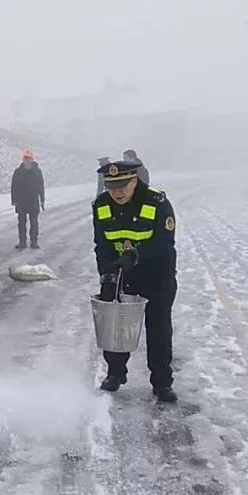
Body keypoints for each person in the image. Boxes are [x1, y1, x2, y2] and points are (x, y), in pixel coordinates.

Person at [92, 160, 178, 403]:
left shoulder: (156, 202)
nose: (117, 192)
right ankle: (116, 373)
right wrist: (107, 276)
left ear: (134, 180)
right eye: (111, 186)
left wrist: (136, 253)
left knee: (159, 328)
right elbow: (102, 244)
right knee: (115, 325)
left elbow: (164, 242)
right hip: (121, 273)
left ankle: (162, 382)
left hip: (156, 274)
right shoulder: (101, 205)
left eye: (122, 186)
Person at [11, 149, 45, 249]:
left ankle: (34, 241)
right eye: (25, 158)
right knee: (21, 223)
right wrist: (14, 200)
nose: (27, 160)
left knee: (34, 222)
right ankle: (22, 242)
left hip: (33, 201)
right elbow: (14, 186)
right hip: (21, 201)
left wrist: (42, 200)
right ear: (23, 159)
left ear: (32, 159)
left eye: (29, 158)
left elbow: (41, 186)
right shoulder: (18, 172)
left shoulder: (37, 172)